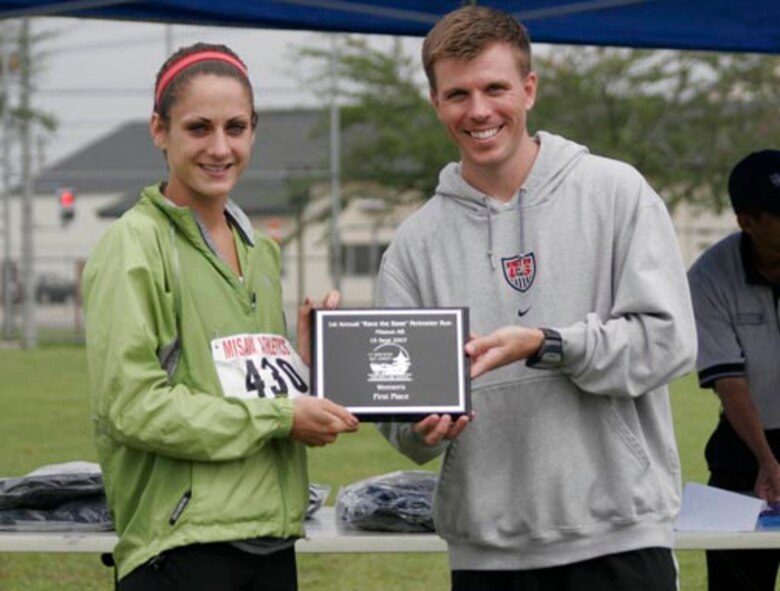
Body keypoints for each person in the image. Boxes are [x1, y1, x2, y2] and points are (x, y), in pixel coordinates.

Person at [375, 6, 697, 590]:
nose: (478, 111)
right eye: (457, 94)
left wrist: (551, 344)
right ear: (435, 102)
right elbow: (400, 419)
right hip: (487, 556)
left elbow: (668, 343)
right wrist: (418, 427)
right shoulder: (413, 245)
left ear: (528, 89)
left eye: (495, 88)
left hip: (621, 540)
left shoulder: (616, 192)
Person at [82, 43, 358, 591]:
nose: (220, 147)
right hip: (182, 552)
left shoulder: (259, 249)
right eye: (198, 128)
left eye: (235, 127)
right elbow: (133, 408)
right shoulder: (133, 245)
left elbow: (231, 383)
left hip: (271, 541)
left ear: (253, 130)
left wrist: (300, 368)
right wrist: (280, 417)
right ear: (159, 131)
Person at [687, 150, 780, 591]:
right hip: (745, 447)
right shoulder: (709, 277)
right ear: (746, 221)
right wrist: (766, 459)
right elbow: (730, 382)